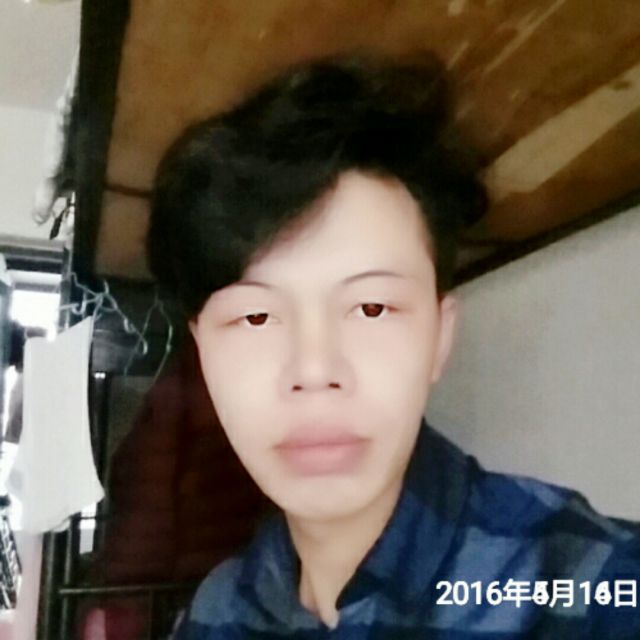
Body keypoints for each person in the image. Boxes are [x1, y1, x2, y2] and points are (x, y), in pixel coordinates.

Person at [146, 55, 640, 638]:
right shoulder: (212, 615)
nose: (315, 369)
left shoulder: (595, 586)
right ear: (203, 354)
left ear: (439, 338)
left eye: (372, 308)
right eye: (255, 317)